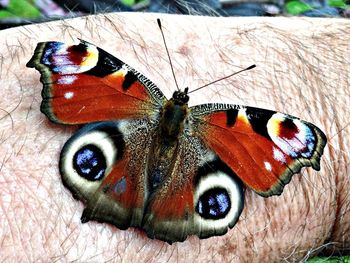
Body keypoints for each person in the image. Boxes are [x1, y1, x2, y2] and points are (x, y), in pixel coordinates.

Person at [1, 13, 349, 262]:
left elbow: (287, 138)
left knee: (103, 147)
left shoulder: (135, 92)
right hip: (172, 163)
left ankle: (149, 207)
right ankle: (152, 210)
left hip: (131, 148)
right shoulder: (225, 122)